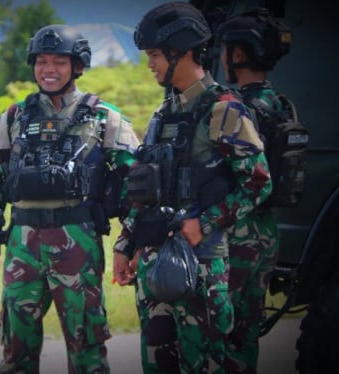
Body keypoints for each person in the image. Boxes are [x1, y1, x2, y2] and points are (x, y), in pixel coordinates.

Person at [0, 24, 140, 374]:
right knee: (16, 347)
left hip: (78, 240)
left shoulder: (105, 118)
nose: (48, 69)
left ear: (78, 66)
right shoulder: (14, 116)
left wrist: (128, 242)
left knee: (87, 349)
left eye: (59, 62)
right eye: (41, 61)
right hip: (22, 244)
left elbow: (136, 184)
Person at [112, 2, 272, 373]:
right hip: (154, 265)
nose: (149, 63)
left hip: (201, 265)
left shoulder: (224, 110)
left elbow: (258, 184)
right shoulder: (162, 114)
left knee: (205, 364)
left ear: (182, 52)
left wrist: (207, 221)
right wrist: (126, 244)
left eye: (154, 54)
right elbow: (144, 188)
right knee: (157, 364)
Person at [216, 9, 294, 373]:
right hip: (267, 232)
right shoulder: (282, 105)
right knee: (247, 335)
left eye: (225, 50)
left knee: (222, 333)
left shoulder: (237, 108)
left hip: (238, 231)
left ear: (237, 55)